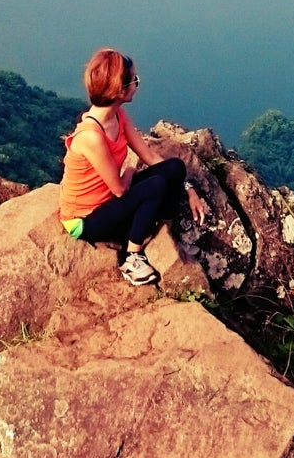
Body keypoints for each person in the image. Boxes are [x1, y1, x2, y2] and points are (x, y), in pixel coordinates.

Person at [58, 48, 208, 285]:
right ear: (120, 91)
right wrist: (129, 169)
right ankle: (132, 258)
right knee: (156, 185)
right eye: (134, 81)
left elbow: (148, 155)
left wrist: (189, 189)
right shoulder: (91, 136)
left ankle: (161, 232)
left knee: (174, 168)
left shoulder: (118, 117)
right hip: (85, 220)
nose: (137, 85)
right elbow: (119, 190)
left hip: (107, 202)